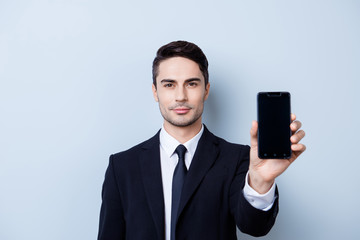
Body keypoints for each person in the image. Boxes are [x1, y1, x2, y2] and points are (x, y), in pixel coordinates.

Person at [97, 40, 306, 240]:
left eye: (191, 84)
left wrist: (261, 182)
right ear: (155, 92)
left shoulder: (237, 159)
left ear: (206, 90)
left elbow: (254, 227)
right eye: (169, 85)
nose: (180, 96)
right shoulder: (122, 166)